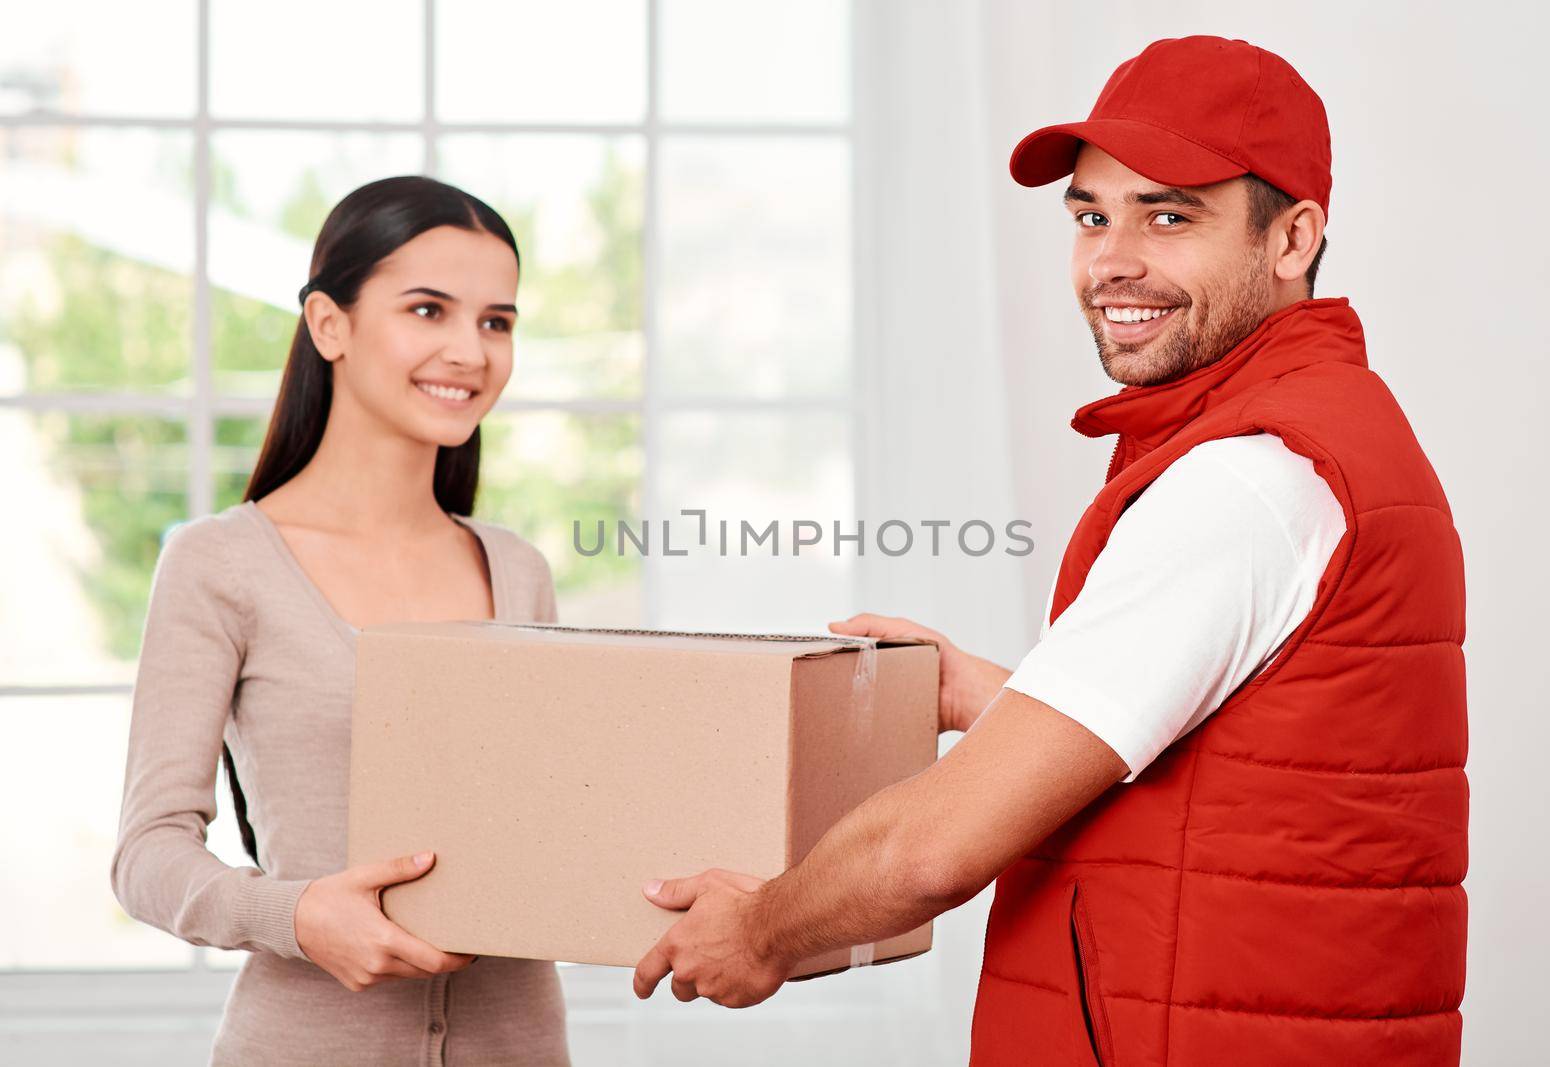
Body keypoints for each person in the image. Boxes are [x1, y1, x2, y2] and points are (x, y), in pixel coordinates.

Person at [630, 36, 1468, 1067]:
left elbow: (929, 848)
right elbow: (1220, 768)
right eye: (1090, 214)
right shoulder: (1311, 436)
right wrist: (991, 693)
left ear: (1291, 238)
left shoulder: (1247, 475)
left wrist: (760, 928)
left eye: (1169, 214)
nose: (1111, 257)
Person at [111, 176, 570, 1066]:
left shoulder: (519, 570)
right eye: (428, 309)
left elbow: (556, 821)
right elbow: (147, 854)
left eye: (496, 321)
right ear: (330, 325)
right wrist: (297, 913)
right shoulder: (221, 564)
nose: (469, 352)